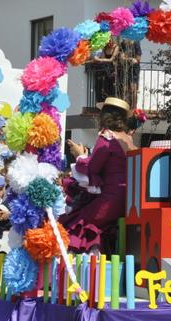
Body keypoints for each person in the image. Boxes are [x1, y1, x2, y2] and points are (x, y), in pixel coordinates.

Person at [59, 97, 137, 255]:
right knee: (96, 224)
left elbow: (93, 168)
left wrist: (79, 155)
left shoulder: (106, 136)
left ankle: (82, 267)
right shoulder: (129, 139)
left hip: (110, 200)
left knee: (78, 221)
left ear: (104, 116)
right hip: (128, 201)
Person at [118, 40, 142, 108]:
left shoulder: (136, 43)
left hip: (134, 68)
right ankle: (125, 107)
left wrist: (126, 58)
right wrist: (130, 59)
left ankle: (134, 108)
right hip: (125, 67)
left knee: (133, 89)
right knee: (124, 89)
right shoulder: (123, 43)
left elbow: (137, 59)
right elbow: (121, 58)